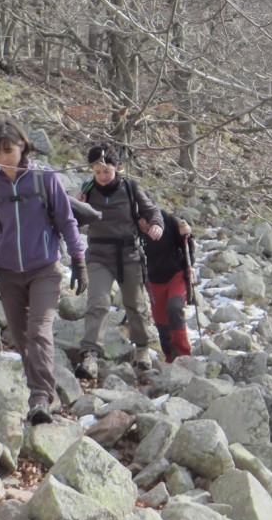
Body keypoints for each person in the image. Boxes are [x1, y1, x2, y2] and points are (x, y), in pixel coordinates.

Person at [0, 120, 88, 425]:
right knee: (20, 337)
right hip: (7, 272)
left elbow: (67, 221)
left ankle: (41, 397)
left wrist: (79, 260)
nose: (3, 158)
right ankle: (37, 390)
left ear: (22, 146)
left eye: (9, 151)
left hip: (45, 269)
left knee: (39, 331)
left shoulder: (44, 179)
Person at [75, 144, 163, 379]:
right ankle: (91, 355)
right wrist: (77, 205)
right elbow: (75, 221)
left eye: (107, 171)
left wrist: (156, 226)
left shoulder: (131, 188)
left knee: (135, 304)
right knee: (98, 303)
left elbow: (152, 211)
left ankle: (142, 349)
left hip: (128, 254)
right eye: (97, 172)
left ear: (117, 168)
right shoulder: (87, 189)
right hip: (98, 255)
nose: (103, 176)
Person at [139, 209, 196, 363]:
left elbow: (187, 243)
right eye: (140, 219)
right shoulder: (131, 229)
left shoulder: (168, 220)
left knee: (175, 307)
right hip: (153, 279)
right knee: (161, 321)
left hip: (176, 274)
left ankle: (183, 356)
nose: (143, 223)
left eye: (146, 219)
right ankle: (170, 356)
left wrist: (187, 233)